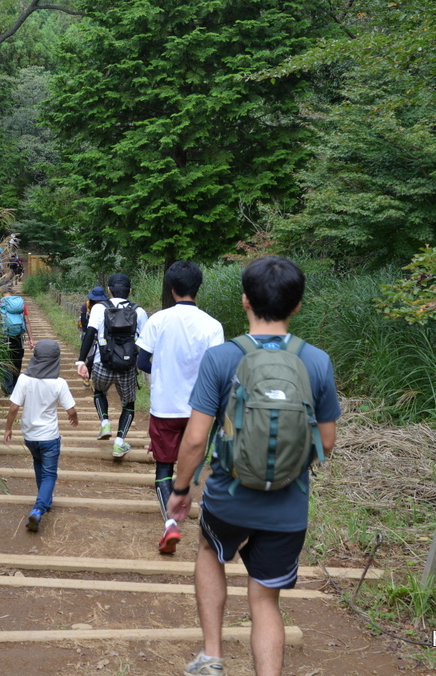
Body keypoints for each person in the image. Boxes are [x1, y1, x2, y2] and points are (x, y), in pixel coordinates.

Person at [166, 256, 339, 676]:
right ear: (297, 305)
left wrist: (181, 490)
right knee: (265, 599)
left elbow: (195, 438)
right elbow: (326, 442)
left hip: (229, 497)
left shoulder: (222, 358)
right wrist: (286, 466)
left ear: (245, 300)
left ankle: (212, 655)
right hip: (288, 507)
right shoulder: (317, 361)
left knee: (210, 551)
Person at [136, 260, 224, 555]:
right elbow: (216, 369)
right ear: (198, 287)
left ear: (172, 288)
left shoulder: (158, 320)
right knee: (194, 465)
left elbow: (142, 361)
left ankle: (171, 524)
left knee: (164, 467)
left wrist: (163, 370)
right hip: (200, 409)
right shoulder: (213, 326)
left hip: (165, 407)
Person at [4, 339, 78, 532]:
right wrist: (74, 418)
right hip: (49, 437)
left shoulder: (24, 379)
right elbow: (71, 410)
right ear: (56, 360)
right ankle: (38, 509)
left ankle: (45, 500)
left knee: (38, 464)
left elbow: (13, 407)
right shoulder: (59, 383)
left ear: (35, 357)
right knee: (50, 473)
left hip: (30, 436)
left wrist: (8, 428)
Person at [75, 273, 148, 458]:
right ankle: (119, 443)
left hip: (102, 364)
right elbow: (146, 342)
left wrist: (81, 361)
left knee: (99, 391)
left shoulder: (99, 308)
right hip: (127, 367)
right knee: (129, 404)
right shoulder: (139, 311)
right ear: (130, 291)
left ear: (109, 290)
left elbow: (90, 334)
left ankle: (105, 422)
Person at [0, 286, 33, 395]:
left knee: (4, 363)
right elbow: (27, 321)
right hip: (18, 337)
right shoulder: (21, 304)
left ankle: (7, 390)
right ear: (11, 291)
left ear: (0, 291)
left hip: (3, 337)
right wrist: (31, 338)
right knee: (17, 362)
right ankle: (15, 388)